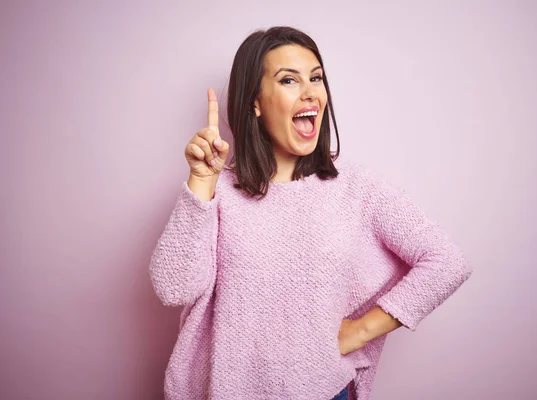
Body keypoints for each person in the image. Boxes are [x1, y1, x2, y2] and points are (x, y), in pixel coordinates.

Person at [149, 26, 473, 400]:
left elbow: (446, 262)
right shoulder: (216, 189)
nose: (310, 92)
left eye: (316, 78)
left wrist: (361, 330)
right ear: (255, 101)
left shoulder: (357, 188)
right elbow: (173, 287)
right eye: (289, 80)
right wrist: (201, 180)